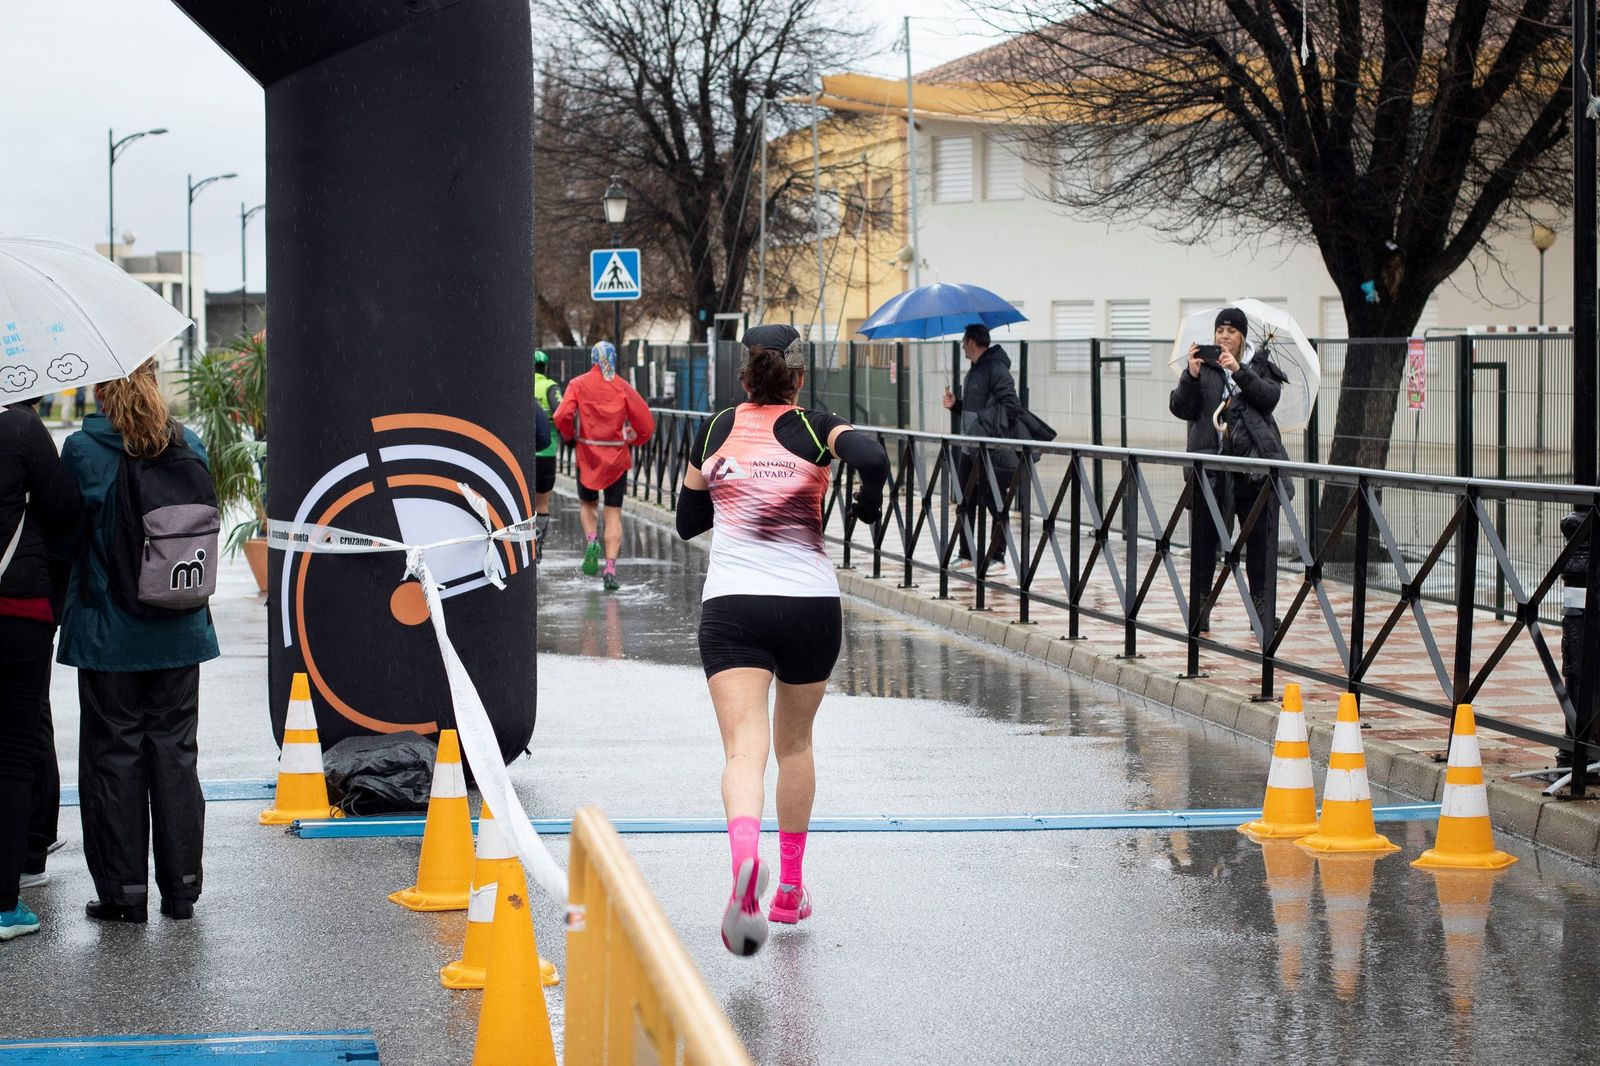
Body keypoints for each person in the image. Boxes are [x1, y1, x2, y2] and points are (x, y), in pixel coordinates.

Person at [675, 323, 889, 957]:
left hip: (735, 606)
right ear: (799, 376)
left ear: (746, 375)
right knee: (794, 745)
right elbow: (874, 457)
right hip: (810, 607)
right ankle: (790, 889)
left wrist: (728, 488)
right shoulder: (822, 428)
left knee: (745, 752)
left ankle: (746, 859)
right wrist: (866, 505)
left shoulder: (714, 429)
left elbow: (689, 523)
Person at [58, 361, 220, 923]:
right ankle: (183, 890)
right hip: (180, 629)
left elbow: (66, 537)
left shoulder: (84, 452)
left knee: (115, 758)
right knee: (175, 756)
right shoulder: (189, 442)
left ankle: (124, 895)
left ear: (102, 389)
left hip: (111, 637)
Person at [0, 396, 80, 941]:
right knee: (11, 755)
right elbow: (65, 511)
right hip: (16, 610)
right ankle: (6, 904)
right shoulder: (21, 429)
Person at [1168, 306, 1290, 632]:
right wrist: (1190, 375)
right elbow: (1183, 408)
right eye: (1220, 330)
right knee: (1205, 542)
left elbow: (1268, 399)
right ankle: (1201, 610)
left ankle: (1261, 611)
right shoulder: (1202, 366)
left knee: (1259, 545)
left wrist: (1239, 370)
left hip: (1252, 471)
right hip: (1211, 470)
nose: (1224, 336)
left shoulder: (1260, 365)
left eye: (1231, 331)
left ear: (1242, 336)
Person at [552, 341, 655, 591]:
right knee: (613, 513)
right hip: (616, 458)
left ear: (592, 359)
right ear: (615, 359)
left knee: (588, 505)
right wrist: (635, 438)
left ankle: (590, 541)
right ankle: (610, 569)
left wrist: (568, 437)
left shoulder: (578, 384)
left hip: (587, 454)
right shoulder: (622, 387)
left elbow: (561, 415)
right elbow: (646, 423)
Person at [941, 323, 1022, 571]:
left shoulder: (996, 369)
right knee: (965, 502)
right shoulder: (975, 370)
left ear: (973, 341)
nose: (962, 346)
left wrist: (984, 428)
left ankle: (998, 557)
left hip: (990, 451)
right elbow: (975, 408)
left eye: (964, 341)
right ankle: (966, 554)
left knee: (994, 502)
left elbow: (1010, 405)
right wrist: (957, 405)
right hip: (969, 449)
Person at [532, 350, 563, 562]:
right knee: (542, 503)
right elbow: (561, 412)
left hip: (522, 453)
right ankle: (538, 545)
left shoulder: (519, 385)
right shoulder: (550, 386)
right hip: (547, 452)